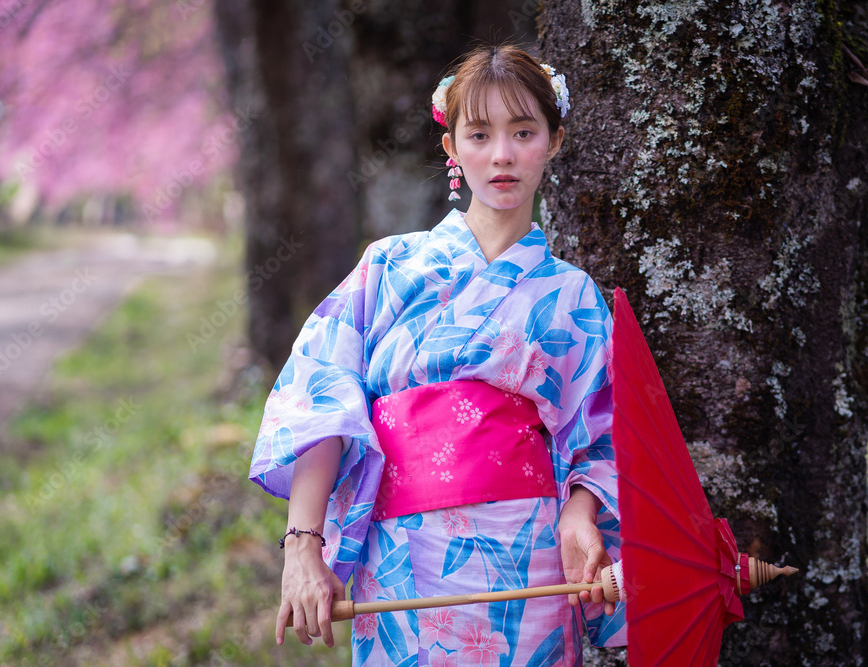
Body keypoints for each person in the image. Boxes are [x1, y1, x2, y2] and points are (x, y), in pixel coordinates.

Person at [249, 42, 627, 665]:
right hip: (403, 554)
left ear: (553, 142)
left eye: (523, 132)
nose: (501, 155)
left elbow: (601, 433)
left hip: (529, 559)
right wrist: (301, 549)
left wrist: (580, 516)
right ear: (451, 147)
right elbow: (321, 400)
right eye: (479, 134)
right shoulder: (390, 266)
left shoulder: (573, 297)